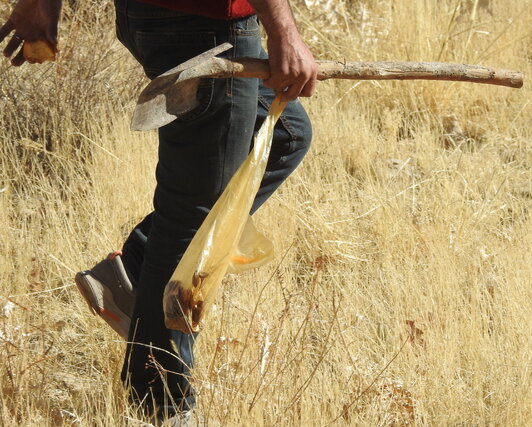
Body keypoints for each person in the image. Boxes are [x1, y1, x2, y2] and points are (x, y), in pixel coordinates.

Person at [1, 0, 317, 422]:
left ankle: (135, 271)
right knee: (193, 219)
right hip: (205, 22)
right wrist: (282, 32)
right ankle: (161, 404)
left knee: (285, 135)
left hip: (155, 14)